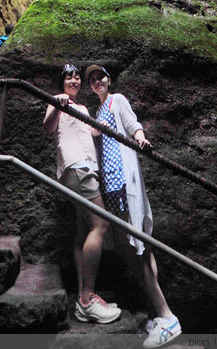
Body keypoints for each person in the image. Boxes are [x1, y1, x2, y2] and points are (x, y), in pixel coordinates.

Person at [85, 64, 182, 348]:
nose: (96, 82)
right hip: (111, 186)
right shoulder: (100, 112)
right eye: (92, 80)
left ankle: (167, 317)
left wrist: (141, 139)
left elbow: (132, 124)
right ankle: (158, 314)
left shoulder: (117, 100)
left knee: (134, 249)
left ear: (108, 79)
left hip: (124, 185)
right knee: (139, 249)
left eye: (99, 77)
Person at [43, 63, 121, 324]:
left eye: (77, 77)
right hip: (77, 168)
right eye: (69, 77)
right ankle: (88, 299)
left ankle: (82, 299)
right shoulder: (57, 100)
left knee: (83, 228)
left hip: (87, 168)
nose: (74, 80)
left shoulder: (84, 109)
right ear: (62, 83)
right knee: (101, 224)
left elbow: (95, 130)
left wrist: (108, 107)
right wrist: (57, 104)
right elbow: (48, 126)